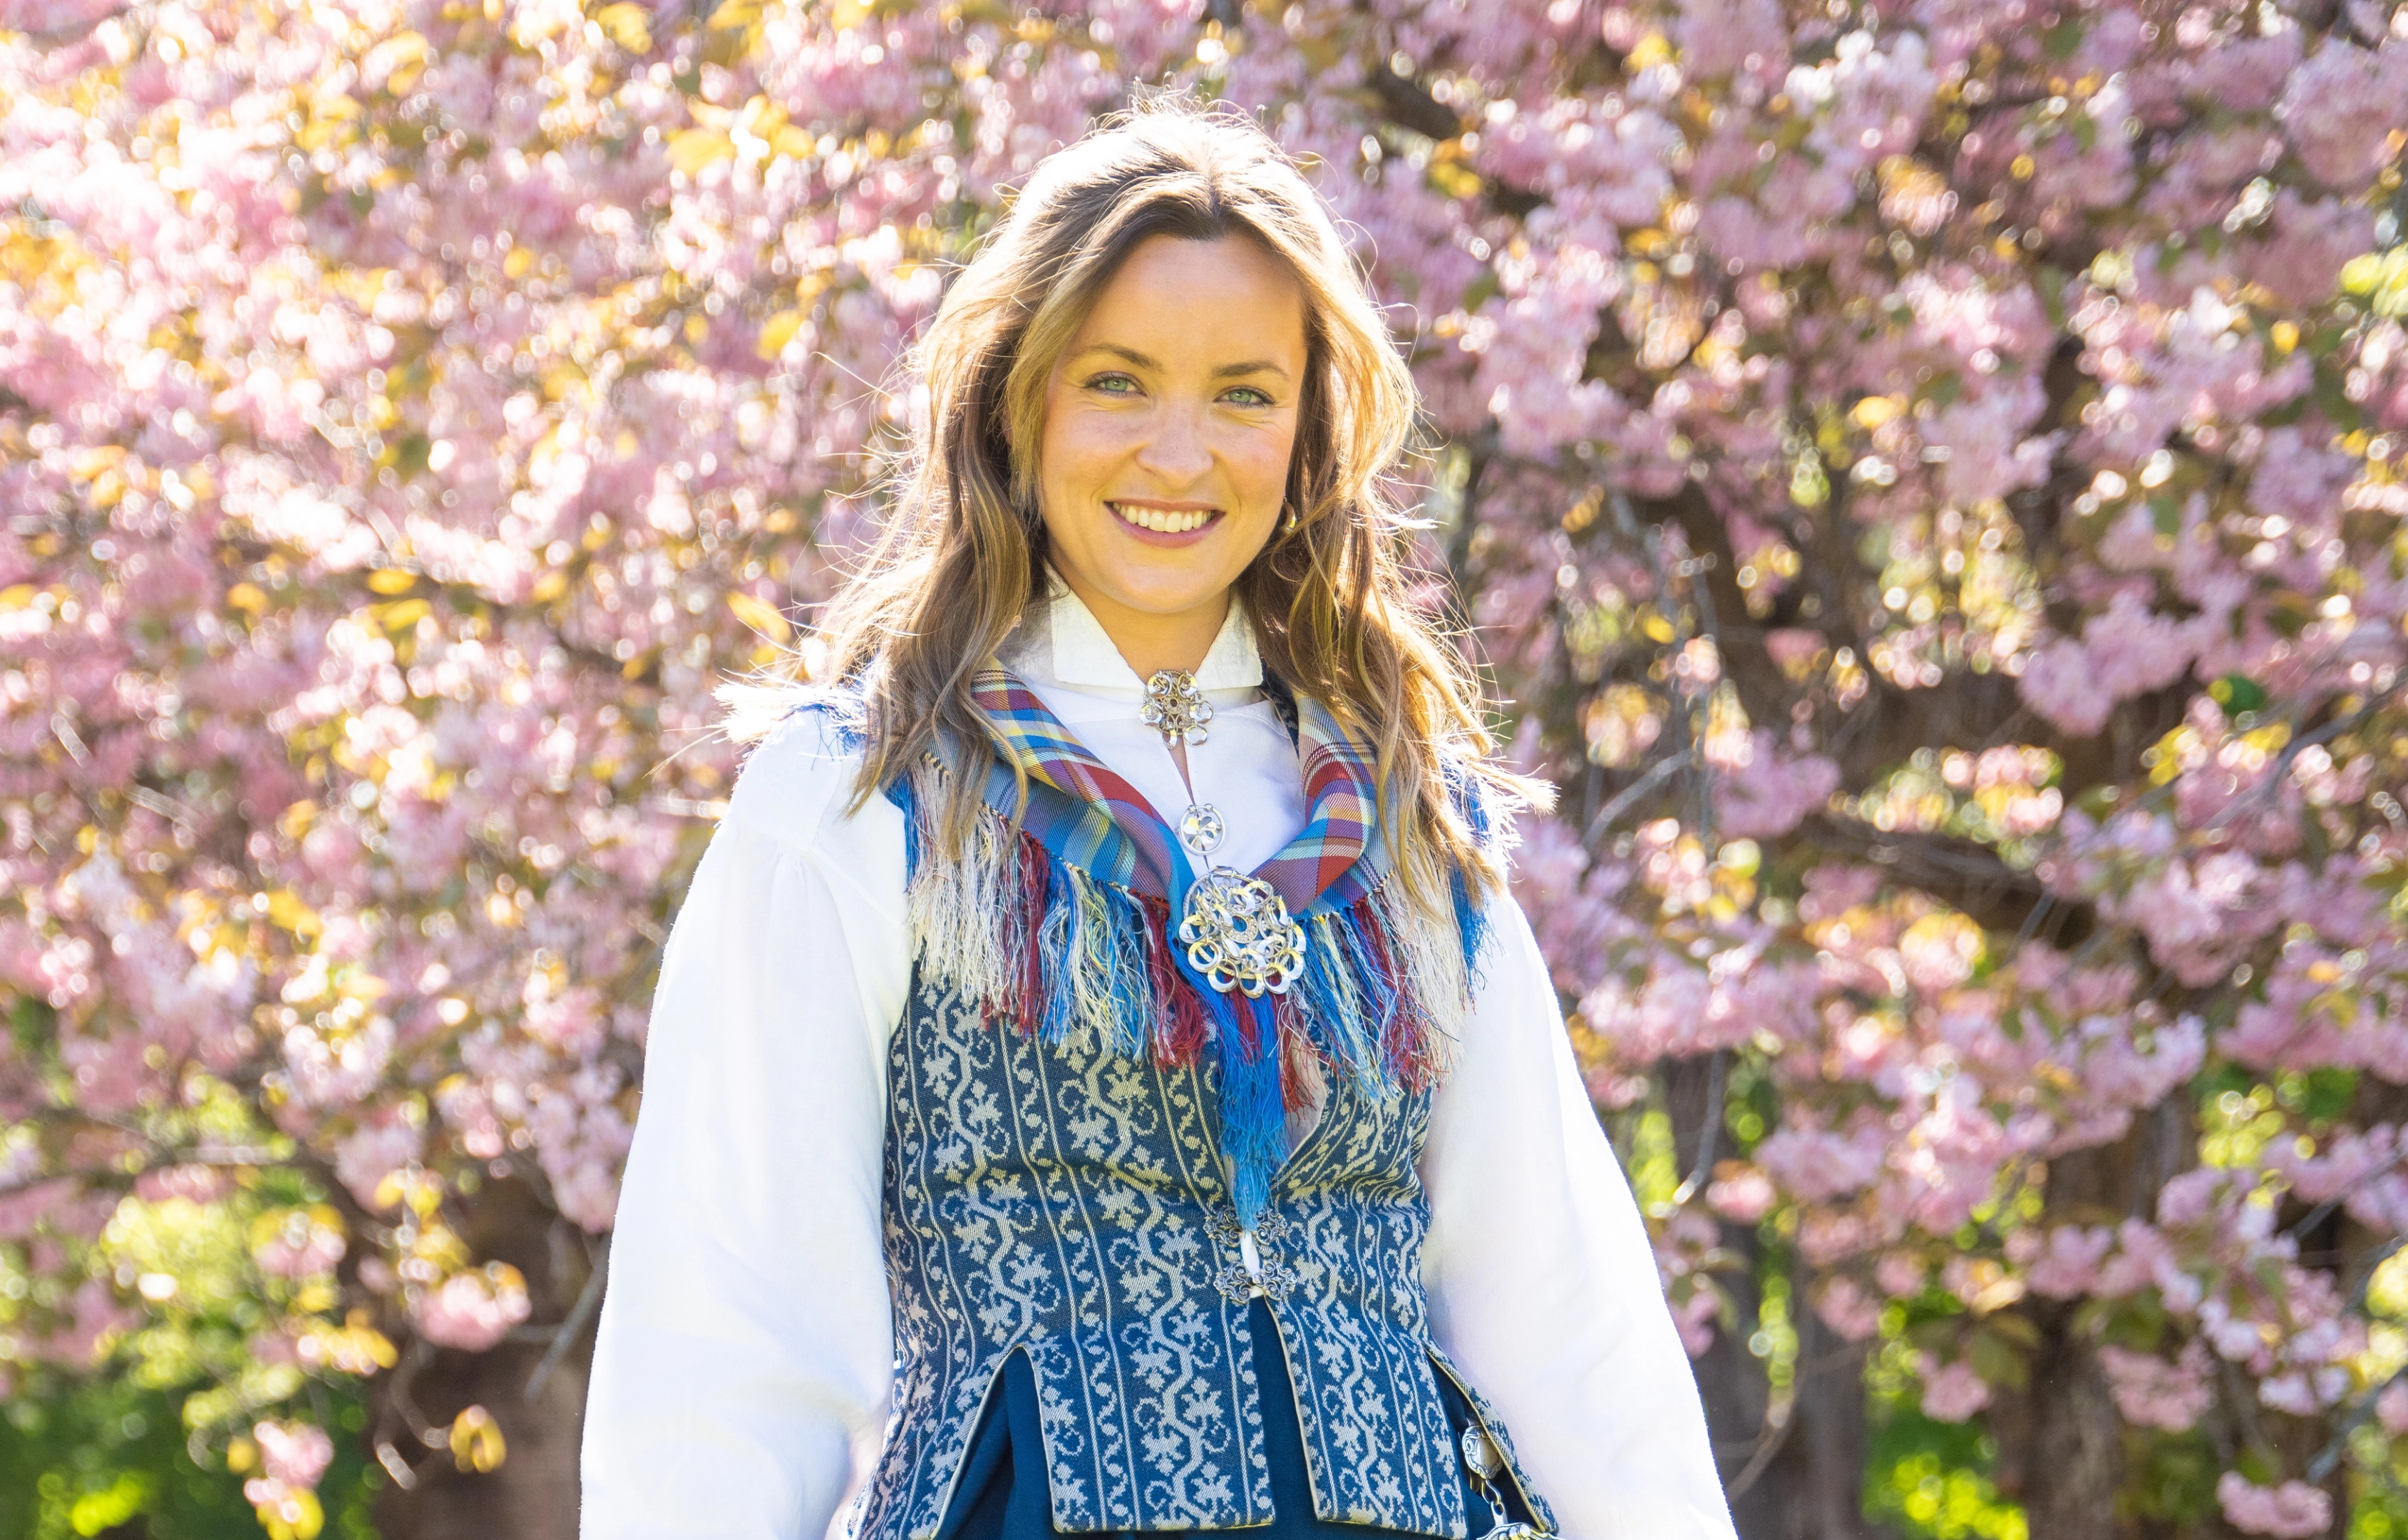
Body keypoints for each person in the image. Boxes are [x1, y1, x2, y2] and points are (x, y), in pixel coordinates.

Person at [579, 93, 1737, 1540]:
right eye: (1118, 381)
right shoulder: (858, 791)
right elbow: (732, 1330)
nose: (1179, 456)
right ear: (1021, 394)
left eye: (1244, 393)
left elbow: (1565, 1315)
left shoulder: (1407, 815)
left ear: (1311, 428)